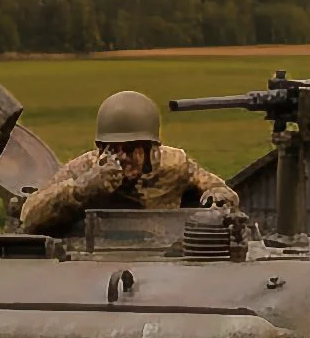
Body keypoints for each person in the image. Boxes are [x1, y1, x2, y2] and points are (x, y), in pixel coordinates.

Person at [17, 90, 240, 236]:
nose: (121, 157)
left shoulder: (176, 164)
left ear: (150, 148)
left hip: (163, 252)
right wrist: (84, 188)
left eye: (131, 149)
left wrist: (217, 198)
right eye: (113, 149)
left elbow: (220, 190)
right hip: (99, 254)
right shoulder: (86, 168)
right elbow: (29, 215)